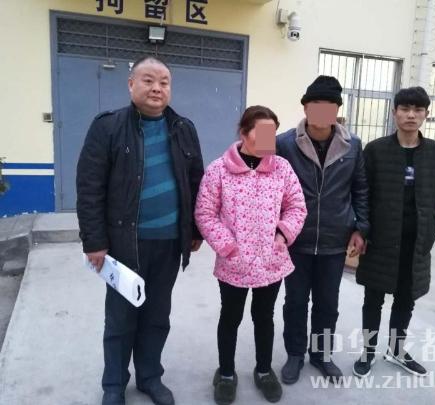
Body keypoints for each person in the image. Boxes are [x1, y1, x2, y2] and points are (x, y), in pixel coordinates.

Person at [76, 55, 204, 405]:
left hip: (169, 243)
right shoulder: (107, 127)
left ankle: (150, 377)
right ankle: (114, 385)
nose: (157, 88)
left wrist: (195, 230)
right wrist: (94, 241)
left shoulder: (184, 129)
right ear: (131, 84)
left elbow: (197, 182)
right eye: (148, 80)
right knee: (121, 319)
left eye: (164, 82)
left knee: (157, 316)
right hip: (123, 244)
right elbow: (89, 187)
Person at [195, 106, 307, 404]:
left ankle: (263, 370)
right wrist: (228, 247)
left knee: (264, 317)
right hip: (234, 263)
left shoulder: (281, 168)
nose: (270, 138)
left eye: (273, 131)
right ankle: (226, 374)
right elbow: (205, 213)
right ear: (243, 132)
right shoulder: (219, 170)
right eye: (262, 131)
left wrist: (283, 234)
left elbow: (296, 206)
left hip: (271, 261)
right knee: (230, 317)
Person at [353, 86, 435, 379]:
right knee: (373, 299)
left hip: (417, 241)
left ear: (426, 114)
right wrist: (362, 229)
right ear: (394, 112)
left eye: (418, 110)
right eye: (405, 109)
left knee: (406, 299)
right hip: (381, 241)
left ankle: (396, 350)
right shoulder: (376, 150)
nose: (411, 115)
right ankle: (368, 352)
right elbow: (362, 192)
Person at [276, 76, 370, 384]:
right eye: (315, 104)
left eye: (329, 105)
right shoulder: (283, 142)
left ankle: (321, 355)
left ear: (337, 110)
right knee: (295, 302)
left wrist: (360, 227)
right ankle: (294, 355)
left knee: (328, 304)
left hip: (334, 239)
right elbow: (260, 176)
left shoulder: (353, 145)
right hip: (295, 239)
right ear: (305, 107)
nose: (321, 110)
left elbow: (361, 189)